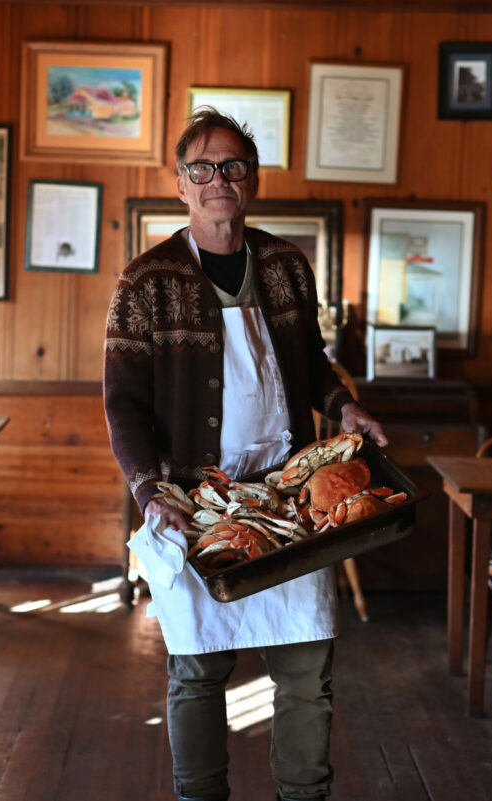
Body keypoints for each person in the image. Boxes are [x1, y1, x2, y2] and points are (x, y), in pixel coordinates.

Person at [103, 108, 388, 801]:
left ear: (251, 180)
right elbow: (122, 403)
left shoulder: (288, 266)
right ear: (180, 184)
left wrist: (342, 404)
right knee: (198, 667)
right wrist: (149, 494)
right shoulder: (147, 281)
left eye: (231, 166)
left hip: (287, 498)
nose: (217, 179)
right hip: (195, 502)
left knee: (305, 665)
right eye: (202, 168)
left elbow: (310, 364)